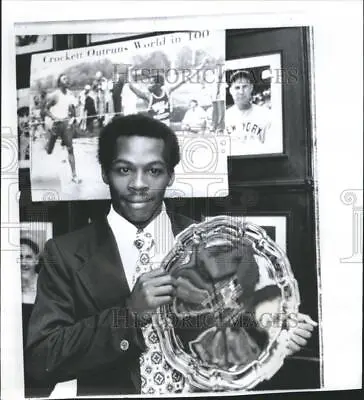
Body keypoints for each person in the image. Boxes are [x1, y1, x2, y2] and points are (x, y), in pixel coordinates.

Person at [26, 114, 316, 396]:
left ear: (170, 175)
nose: (138, 184)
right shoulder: (64, 253)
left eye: (153, 170)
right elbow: (41, 361)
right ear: (104, 172)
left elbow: (227, 333)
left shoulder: (212, 242)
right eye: (124, 169)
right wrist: (129, 315)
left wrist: (272, 339)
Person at [127, 57, 209, 126]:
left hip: (166, 126)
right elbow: (132, 86)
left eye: (152, 83)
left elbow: (185, 79)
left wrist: (201, 66)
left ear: (159, 85)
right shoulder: (148, 96)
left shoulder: (167, 91)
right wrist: (129, 71)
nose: (149, 85)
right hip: (154, 127)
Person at [44, 73, 81, 183]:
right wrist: (54, 117)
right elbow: (45, 109)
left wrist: (73, 119)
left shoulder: (70, 94)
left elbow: (73, 107)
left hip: (65, 124)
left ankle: (74, 176)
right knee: (49, 151)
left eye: (67, 78)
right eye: (64, 79)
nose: (67, 80)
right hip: (56, 124)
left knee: (70, 149)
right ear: (60, 82)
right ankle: (47, 145)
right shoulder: (55, 95)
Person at [225, 70, 272, 149]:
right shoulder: (225, 118)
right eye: (237, 87)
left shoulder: (265, 115)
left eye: (245, 87)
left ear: (251, 88)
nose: (241, 91)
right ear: (231, 91)